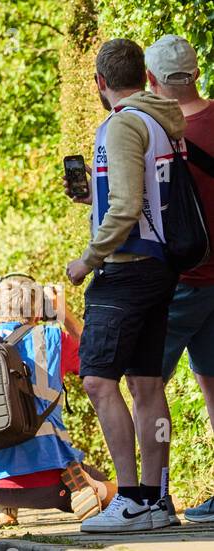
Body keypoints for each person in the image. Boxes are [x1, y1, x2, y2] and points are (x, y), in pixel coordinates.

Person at [65, 39, 185, 533]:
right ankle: (157, 499)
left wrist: (87, 259)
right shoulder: (160, 120)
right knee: (146, 383)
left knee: (97, 380)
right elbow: (144, 195)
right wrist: (91, 196)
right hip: (159, 265)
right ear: (144, 75)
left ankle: (132, 498)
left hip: (126, 268)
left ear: (99, 83)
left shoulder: (121, 123)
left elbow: (127, 206)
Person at [0, 273, 114, 527]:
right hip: (49, 483)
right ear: (38, 312)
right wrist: (63, 313)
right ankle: (93, 489)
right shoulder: (52, 338)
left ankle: (5, 506)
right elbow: (94, 353)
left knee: (2, 420)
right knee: (117, 490)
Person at [147, 35, 214, 524]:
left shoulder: (159, 133)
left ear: (151, 80)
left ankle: (155, 495)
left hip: (183, 279)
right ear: (197, 72)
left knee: (147, 385)